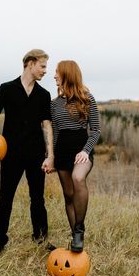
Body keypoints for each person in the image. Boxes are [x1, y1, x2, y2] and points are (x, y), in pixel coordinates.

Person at [0, 49, 55, 257]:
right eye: (42, 66)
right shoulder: (7, 89)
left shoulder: (44, 95)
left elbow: (46, 125)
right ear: (30, 64)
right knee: (5, 197)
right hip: (11, 154)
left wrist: (50, 155)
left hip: (36, 155)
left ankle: (40, 239)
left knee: (38, 198)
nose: (44, 71)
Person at [50, 60, 101, 252]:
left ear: (67, 74)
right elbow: (54, 132)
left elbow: (95, 130)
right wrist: (51, 157)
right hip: (62, 151)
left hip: (82, 150)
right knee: (68, 195)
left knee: (78, 178)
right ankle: (75, 239)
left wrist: (85, 151)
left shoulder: (87, 98)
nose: (54, 76)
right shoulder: (54, 104)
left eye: (57, 72)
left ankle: (79, 229)